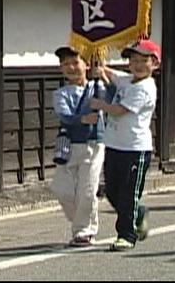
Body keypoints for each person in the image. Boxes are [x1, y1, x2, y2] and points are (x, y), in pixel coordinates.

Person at [89, 39, 161, 251]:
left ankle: (127, 235)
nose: (137, 65)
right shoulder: (128, 80)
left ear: (155, 63)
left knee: (129, 194)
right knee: (112, 191)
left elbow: (120, 110)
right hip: (114, 146)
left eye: (143, 60)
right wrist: (100, 66)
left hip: (135, 149)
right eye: (133, 60)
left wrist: (101, 105)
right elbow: (113, 76)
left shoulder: (146, 88)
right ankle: (138, 213)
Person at [50, 46, 110, 247]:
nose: (71, 67)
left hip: (93, 143)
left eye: (75, 62)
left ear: (86, 64)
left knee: (87, 189)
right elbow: (64, 115)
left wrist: (103, 76)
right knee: (61, 189)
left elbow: (110, 99)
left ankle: (83, 231)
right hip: (68, 146)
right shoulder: (60, 94)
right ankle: (83, 220)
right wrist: (82, 118)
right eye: (65, 64)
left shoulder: (96, 87)